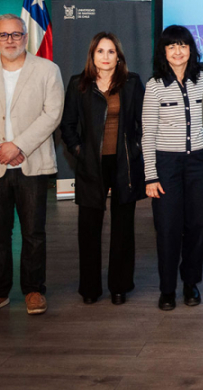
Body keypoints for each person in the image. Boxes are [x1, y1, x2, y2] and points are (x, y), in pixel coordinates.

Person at [0, 13, 63, 317]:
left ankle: (33, 290)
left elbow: (52, 113)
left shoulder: (47, 70)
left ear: (25, 37)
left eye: (16, 34)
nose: (10, 40)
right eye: (3, 35)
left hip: (32, 162)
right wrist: (0, 150)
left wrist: (18, 146)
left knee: (34, 232)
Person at [60, 32, 145, 305]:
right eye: (100, 51)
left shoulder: (132, 83)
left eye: (111, 51)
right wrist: (80, 153)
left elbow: (143, 123)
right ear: (92, 55)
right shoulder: (78, 84)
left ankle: (119, 286)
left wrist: (136, 151)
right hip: (91, 166)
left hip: (124, 164)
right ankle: (90, 289)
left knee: (123, 230)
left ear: (118, 56)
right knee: (88, 230)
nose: (106, 56)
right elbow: (68, 126)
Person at [142, 25, 203, 311]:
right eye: (171, 46)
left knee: (198, 226)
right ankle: (167, 288)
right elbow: (148, 132)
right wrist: (151, 175)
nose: (178, 51)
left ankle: (190, 283)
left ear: (191, 49)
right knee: (168, 228)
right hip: (167, 165)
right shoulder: (155, 85)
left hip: (200, 163)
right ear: (163, 51)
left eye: (183, 45)